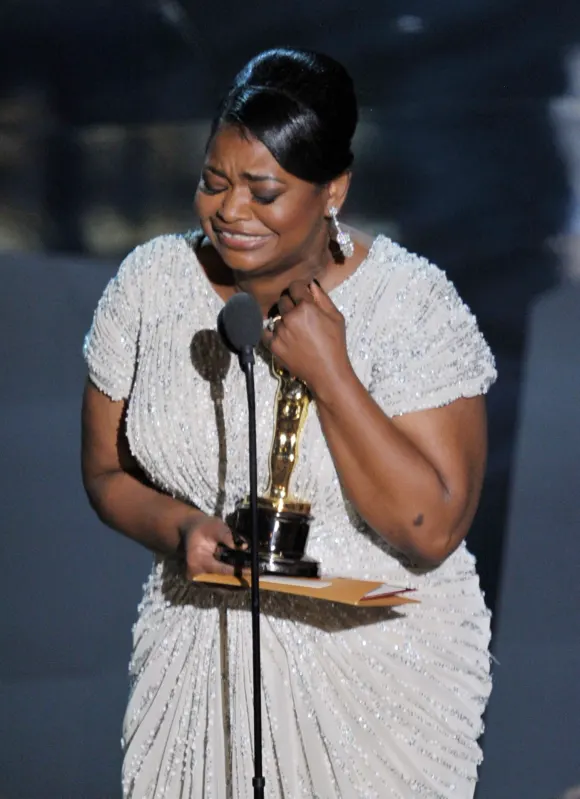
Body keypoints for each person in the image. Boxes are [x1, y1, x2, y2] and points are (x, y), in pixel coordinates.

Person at [81, 48, 497, 799]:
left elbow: (431, 527)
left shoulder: (411, 306)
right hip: (203, 659)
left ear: (333, 189)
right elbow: (106, 471)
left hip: (377, 684)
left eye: (263, 191)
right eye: (213, 182)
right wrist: (180, 528)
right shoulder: (150, 286)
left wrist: (331, 372)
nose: (230, 211)